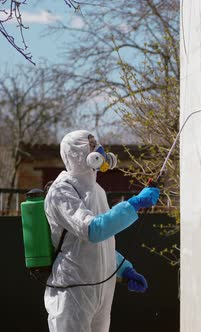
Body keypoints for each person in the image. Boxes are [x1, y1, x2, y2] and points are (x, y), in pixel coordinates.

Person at [43, 130, 160, 332]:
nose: (99, 149)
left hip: (101, 291)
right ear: (76, 153)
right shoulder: (61, 191)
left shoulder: (96, 191)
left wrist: (124, 269)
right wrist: (134, 204)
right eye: (91, 144)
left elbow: (100, 244)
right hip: (73, 290)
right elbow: (94, 230)